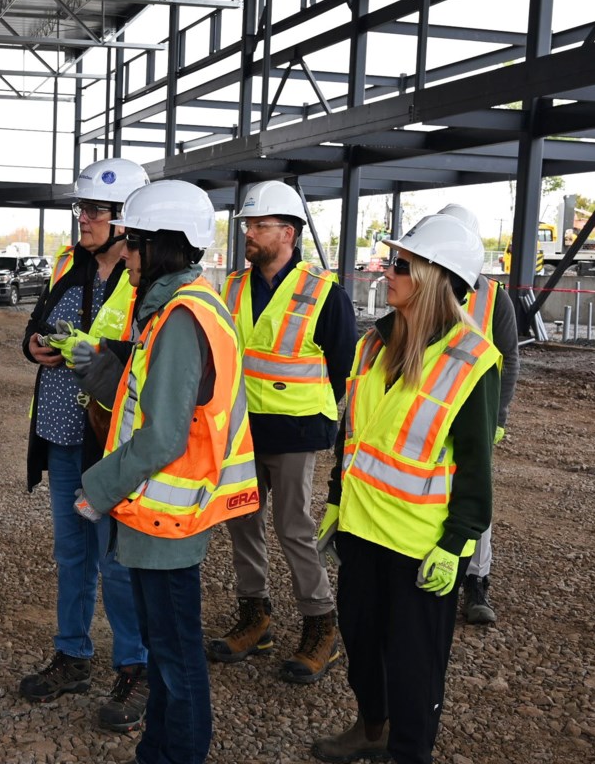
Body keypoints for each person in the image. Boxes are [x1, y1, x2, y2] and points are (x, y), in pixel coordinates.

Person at [72, 180, 261, 764]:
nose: (124, 255)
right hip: (160, 516)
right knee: (165, 650)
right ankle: (158, 749)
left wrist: (98, 489)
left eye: (133, 244)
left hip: (168, 522)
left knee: (177, 658)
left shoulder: (182, 317)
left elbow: (161, 436)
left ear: (161, 247)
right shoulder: (174, 310)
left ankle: (178, 753)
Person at [311, 213, 501, 764]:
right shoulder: (375, 344)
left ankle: (409, 751)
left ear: (435, 278)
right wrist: (335, 499)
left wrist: (457, 544)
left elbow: (474, 466)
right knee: (362, 647)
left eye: (400, 264)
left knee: (415, 668)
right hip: (362, 531)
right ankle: (372, 728)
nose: (386, 272)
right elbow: (355, 435)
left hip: (421, 547)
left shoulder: (471, 361)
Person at [19, 158, 151, 732]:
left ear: (127, 220)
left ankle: (135, 666)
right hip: (61, 434)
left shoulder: (147, 275)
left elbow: (154, 360)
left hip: (111, 443)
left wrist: (99, 358)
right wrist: (33, 345)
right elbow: (39, 319)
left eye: (96, 210)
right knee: (72, 555)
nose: (85, 218)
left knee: (115, 560)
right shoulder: (68, 263)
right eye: (82, 208)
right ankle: (72, 654)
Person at [208, 181, 356, 683]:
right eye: (248, 225)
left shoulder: (324, 293)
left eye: (258, 226)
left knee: (294, 529)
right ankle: (257, 619)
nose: (249, 234)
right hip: (242, 432)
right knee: (242, 523)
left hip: (296, 432)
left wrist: (310, 413)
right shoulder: (229, 288)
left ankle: (321, 627)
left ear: (287, 233)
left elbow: (342, 369)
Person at [438, 203, 521, 625]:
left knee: (475, 495)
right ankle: (441, 568)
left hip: (475, 411)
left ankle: (476, 580)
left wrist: (498, 417)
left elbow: (509, 357)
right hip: (433, 411)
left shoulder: (494, 296)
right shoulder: (427, 286)